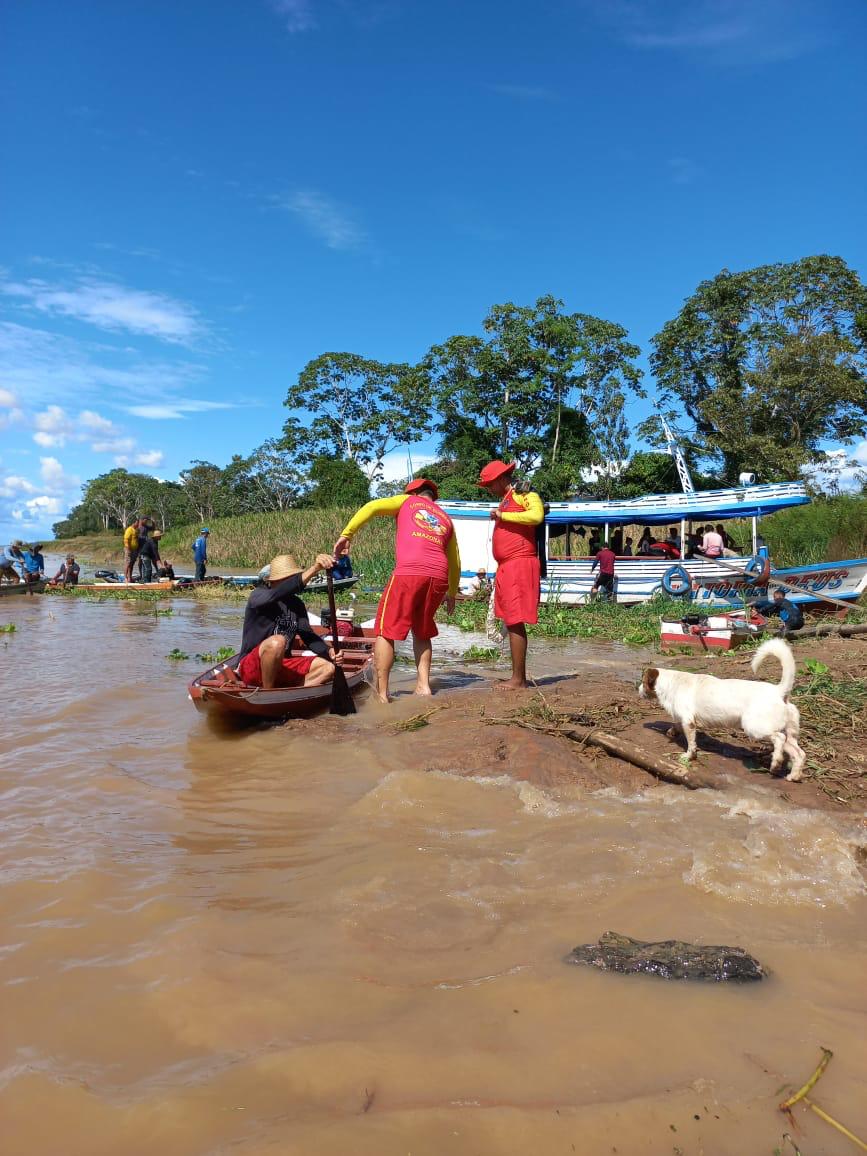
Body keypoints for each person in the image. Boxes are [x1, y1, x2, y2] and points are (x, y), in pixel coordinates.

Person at [334, 479, 460, 703]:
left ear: (413, 492)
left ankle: (381, 694)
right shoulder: (445, 518)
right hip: (438, 576)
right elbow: (455, 560)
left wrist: (347, 534)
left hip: (410, 571)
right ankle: (423, 687)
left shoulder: (407, 501)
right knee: (422, 631)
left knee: (385, 629)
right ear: (433, 497)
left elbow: (371, 507)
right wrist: (451, 592)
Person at [478, 460, 544, 691]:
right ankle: (516, 677)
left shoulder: (524, 493)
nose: (487, 488)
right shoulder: (506, 499)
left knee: (515, 620)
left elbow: (536, 516)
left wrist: (503, 516)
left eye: (489, 484)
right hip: (507, 565)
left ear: (500, 479)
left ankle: (518, 680)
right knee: (510, 619)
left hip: (520, 563)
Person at [233, 553, 341, 688]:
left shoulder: (297, 604)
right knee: (277, 642)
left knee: (327, 668)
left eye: (293, 578)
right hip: (252, 666)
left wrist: (329, 651)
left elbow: (309, 637)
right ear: (273, 581)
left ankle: (289, 692)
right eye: (288, 579)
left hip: (281, 665)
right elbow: (279, 592)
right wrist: (314, 569)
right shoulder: (259, 595)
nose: (292, 583)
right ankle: (268, 694)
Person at [123, 518, 143, 583]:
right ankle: (125, 578)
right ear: (134, 523)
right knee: (127, 563)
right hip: (129, 549)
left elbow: (137, 540)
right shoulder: (129, 530)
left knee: (132, 564)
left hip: (135, 550)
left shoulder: (136, 530)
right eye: (138, 523)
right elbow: (126, 540)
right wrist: (128, 549)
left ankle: (130, 577)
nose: (138, 524)